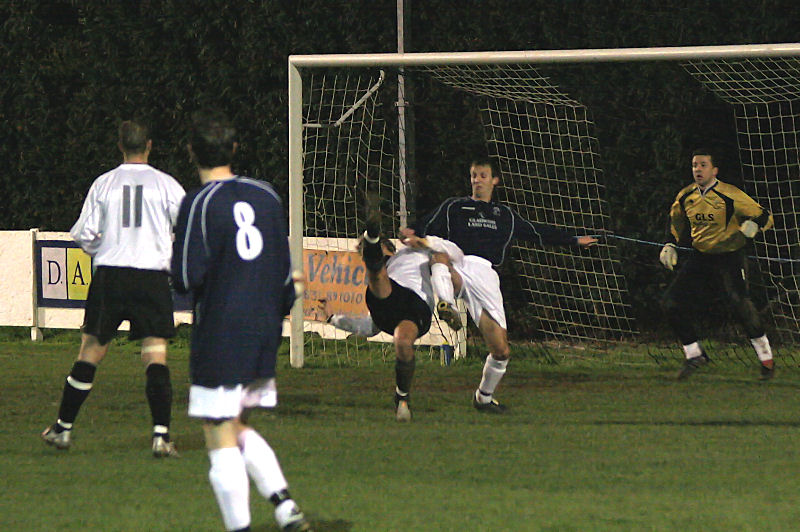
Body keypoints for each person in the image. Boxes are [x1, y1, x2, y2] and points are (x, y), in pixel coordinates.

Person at [171, 109, 310, 532]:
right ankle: (286, 508)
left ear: (191, 152)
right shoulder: (267, 195)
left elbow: (184, 277)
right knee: (237, 425)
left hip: (221, 332)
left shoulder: (198, 202)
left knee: (218, 434)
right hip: (264, 329)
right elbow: (286, 274)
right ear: (234, 149)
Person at [403, 158, 597, 413]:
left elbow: (537, 232)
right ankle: (446, 305)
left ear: (494, 180)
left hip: (486, 276)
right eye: (474, 175)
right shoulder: (454, 207)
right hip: (459, 264)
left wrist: (573, 240)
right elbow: (422, 226)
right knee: (439, 256)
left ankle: (483, 397)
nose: (477, 180)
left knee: (501, 351)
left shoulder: (505, 216)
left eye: (483, 176)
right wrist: (411, 233)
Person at [41, 119, 185, 457]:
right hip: (150, 276)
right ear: (149, 145)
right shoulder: (165, 184)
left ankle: (62, 429)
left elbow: (83, 233)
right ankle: (161, 437)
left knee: (91, 350)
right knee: (155, 352)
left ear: (120, 146)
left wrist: (106, 250)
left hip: (111, 275)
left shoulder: (104, 183)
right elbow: (186, 225)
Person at [659, 148, 775, 380]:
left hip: (730, 257)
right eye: (694, 165)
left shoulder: (730, 194)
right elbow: (675, 221)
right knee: (670, 303)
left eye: (703, 165)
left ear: (715, 170)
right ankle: (695, 354)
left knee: (741, 306)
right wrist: (670, 244)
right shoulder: (686, 196)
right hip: (701, 257)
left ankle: (767, 361)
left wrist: (755, 226)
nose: (698, 170)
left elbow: (765, 215)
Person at [354, 221, 465, 421]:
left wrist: (425, 244)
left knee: (403, 343)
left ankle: (402, 397)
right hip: (389, 296)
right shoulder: (389, 265)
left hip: (416, 305)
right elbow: (370, 326)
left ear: (388, 246)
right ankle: (371, 236)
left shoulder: (426, 253)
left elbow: (456, 264)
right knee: (377, 274)